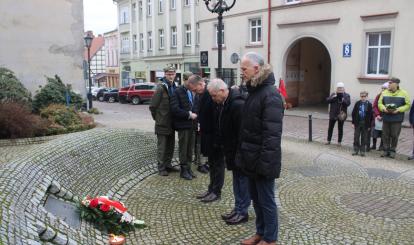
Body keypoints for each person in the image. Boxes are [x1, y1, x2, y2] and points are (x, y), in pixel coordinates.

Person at [236, 52, 283, 245]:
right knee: (256, 200)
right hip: (251, 157)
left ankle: (270, 239)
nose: (242, 73)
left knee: (267, 201)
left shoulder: (271, 94)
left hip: (263, 160)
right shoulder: (254, 91)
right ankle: (260, 233)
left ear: (256, 69)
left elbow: (271, 136)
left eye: (244, 69)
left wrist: (264, 164)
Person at [206, 78, 250, 222]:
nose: (213, 99)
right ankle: (238, 209)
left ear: (223, 91)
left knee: (242, 182)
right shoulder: (226, 103)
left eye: (214, 95)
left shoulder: (237, 105)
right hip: (233, 151)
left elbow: (242, 133)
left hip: (240, 152)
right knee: (237, 182)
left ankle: (242, 212)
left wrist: (239, 153)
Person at [170, 75, 206, 180]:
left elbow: (195, 106)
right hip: (183, 125)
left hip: (193, 125)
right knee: (184, 149)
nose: (194, 88)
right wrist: (188, 115)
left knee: (190, 149)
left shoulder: (191, 91)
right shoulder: (177, 92)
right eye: (193, 87)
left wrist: (197, 120)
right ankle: (183, 170)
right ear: (188, 83)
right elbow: (174, 109)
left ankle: (189, 168)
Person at [149, 65, 180, 176]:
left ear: (175, 74)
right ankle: (161, 167)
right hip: (162, 123)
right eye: (168, 74)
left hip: (172, 122)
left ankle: (168, 165)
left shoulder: (175, 87)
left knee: (170, 146)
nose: (171, 76)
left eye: (172, 74)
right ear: (165, 74)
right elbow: (153, 106)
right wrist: (158, 118)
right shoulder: (161, 88)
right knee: (162, 147)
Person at [378, 77, 411, 158]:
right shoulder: (384, 92)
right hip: (386, 118)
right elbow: (379, 103)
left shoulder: (404, 93)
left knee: (394, 135)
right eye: (389, 83)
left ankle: (392, 150)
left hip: (397, 119)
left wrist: (399, 110)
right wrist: (383, 108)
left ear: (396, 84)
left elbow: (408, 105)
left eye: (390, 83)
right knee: (385, 135)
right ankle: (385, 150)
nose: (389, 84)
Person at [351, 91, 373, 157]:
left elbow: (371, 116)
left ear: (367, 97)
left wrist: (369, 125)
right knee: (356, 137)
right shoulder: (357, 103)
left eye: (364, 96)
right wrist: (353, 122)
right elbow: (353, 113)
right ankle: (356, 149)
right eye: (361, 96)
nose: (363, 98)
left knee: (364, 138)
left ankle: (362, 150)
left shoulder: (369, 104)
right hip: (358, 123)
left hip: (365, 124)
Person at [371, 82, 388, 151]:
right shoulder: (378, 96)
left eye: (385, 88)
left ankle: (381, 146)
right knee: (374, 131)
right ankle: (374, 145)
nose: (383, 90)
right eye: (382, 88)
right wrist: (377, 114)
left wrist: (383, 116)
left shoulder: (388, 97)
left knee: (383, 132)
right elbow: (374, 105)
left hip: (385, 116)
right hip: (377, 116)